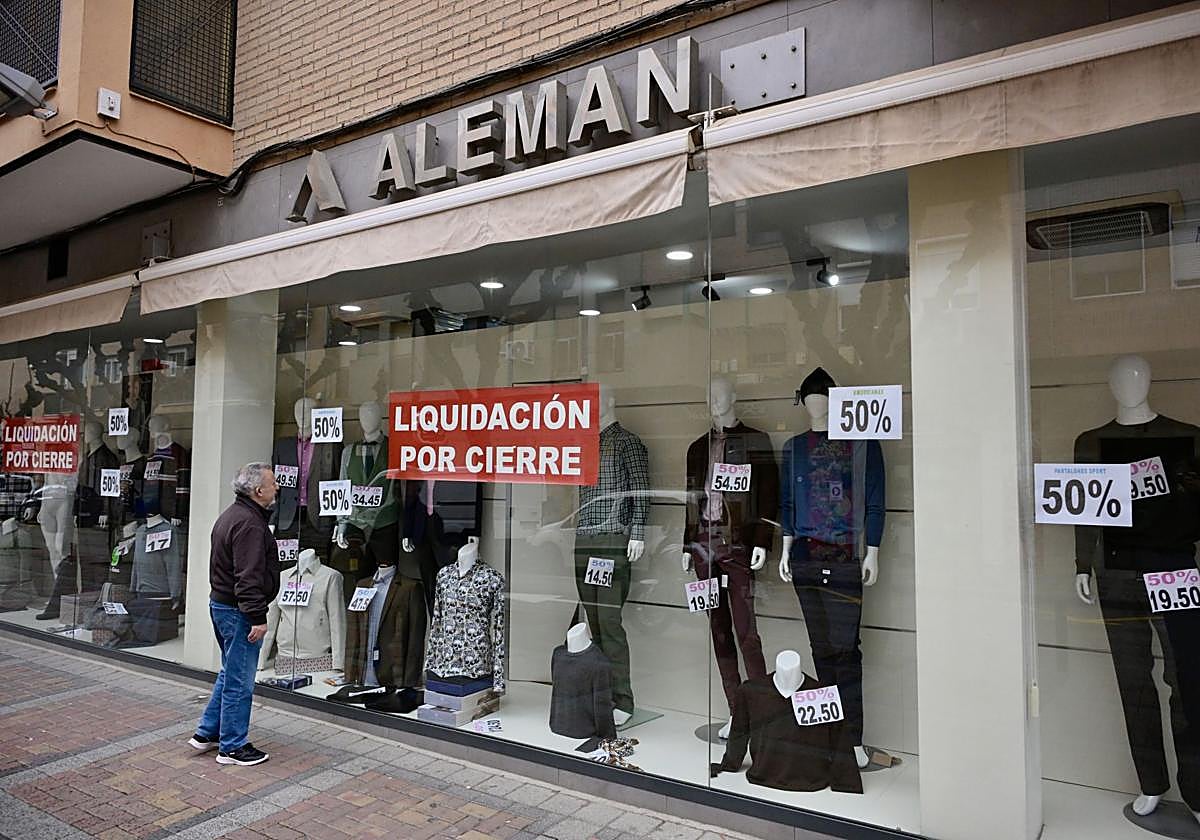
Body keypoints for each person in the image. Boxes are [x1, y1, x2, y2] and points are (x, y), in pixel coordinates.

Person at [187, 462, 279, 766]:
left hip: (225, 606)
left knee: (231, 673)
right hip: (238, 612)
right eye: (273, 483)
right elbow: (248, 577)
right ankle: (232, 747)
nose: (277, 487)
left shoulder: (233, 515)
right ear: (258, 490)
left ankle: (207, 732)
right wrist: (257, 617)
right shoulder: (249, 524)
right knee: (240, 681)